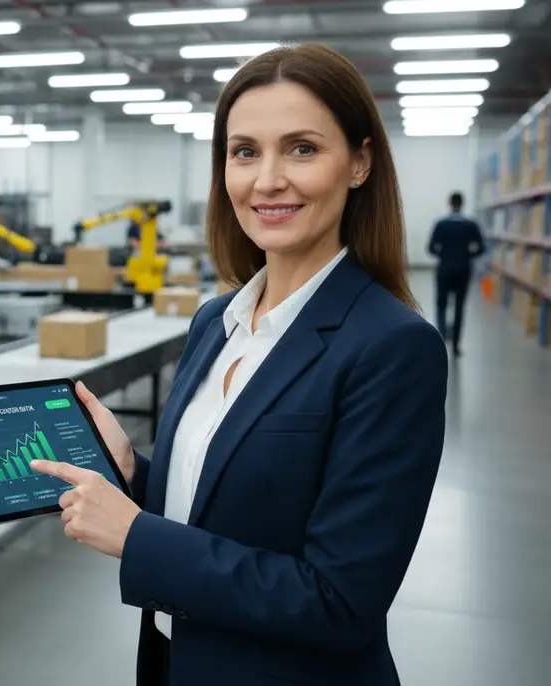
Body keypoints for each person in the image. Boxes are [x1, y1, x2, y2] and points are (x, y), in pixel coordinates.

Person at [30, 43, 448, 686]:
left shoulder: (392, 348)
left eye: (302, 148)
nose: (267, 180)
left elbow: (341, 603)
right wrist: (132, 473)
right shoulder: (216, 322)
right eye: (245, 151)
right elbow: (221, 507)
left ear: (359, 163)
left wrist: (137, 537)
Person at [428, 191, 485, 356]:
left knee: (441, 304)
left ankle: (441, 339)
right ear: (462, 204)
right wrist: (467, 255)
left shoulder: (441, 225)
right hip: (463, 270)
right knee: (459, 306)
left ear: (450, 204)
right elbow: (481, 248)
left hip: (444, 269)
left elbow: (431, 247)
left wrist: (443, 255)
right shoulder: (470, 225)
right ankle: (456, 345)